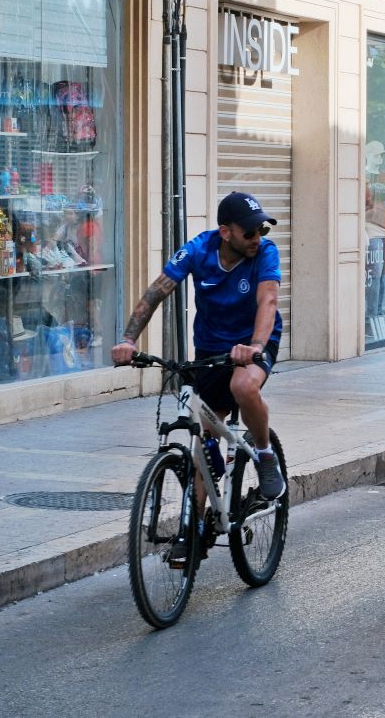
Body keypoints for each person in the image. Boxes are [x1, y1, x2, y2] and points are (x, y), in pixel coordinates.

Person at [111, 191, 286, 531]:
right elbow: (156, 292)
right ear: (226, 232)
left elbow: (268, 301)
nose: (257, 238)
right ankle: (192, 530)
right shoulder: (197, 250)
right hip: (210, 348)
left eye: (261, 230)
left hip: (254, 344)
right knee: (203, 444)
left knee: (243, 384)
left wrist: (255, 345)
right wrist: (128, 340)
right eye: (249, 232)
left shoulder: (265, 253)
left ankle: (265, 454)